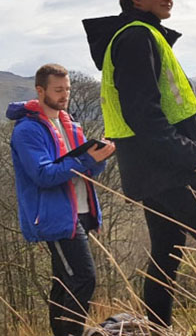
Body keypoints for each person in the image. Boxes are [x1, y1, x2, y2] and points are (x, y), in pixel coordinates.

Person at [82, 0, 196, 333]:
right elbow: (143, 113)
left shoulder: (137, 35)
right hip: (171, 170)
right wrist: (190, 155)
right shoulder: (136, 37)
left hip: (150, 170)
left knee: (166, 254)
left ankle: (158, 330)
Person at [7, 63, 115, 336]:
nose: (64, 94)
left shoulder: (71, 124)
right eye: (58, 90)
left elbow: (85, 170)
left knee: (64, 281)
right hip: (55, 216)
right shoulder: (27, 130)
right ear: (40, 90)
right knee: (83, 278)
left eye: (67, 89)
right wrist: (86, 160)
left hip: (80, 210)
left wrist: (99, 158)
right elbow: (43, 174)